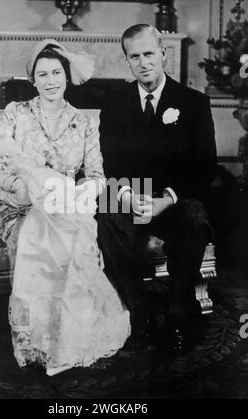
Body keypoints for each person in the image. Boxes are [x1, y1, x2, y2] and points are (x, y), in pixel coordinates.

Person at [0, 39, 130, 376]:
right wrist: (14, 185)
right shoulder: (16, 112)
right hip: (17, 207)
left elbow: (96, 175)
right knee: (36, 240)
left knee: (75, 240)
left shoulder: (85, 122)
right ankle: (36, 341)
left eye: (56, 73)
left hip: (64, 205)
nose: (50, 81)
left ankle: (68, 336)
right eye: (42, 74)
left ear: (66, 76)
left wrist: (76, 195)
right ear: (33, 79)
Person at [97, 24, 217, 350]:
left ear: (163, 53)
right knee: (106, 215)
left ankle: (179, 310)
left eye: (149, 53)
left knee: (195, 215)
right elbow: (107, 163)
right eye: (134, 56)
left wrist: (167, 198)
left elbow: (205, 166)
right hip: (131, 196)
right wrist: (125, 195)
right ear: (127, 61)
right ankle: (141, 312)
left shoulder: (193, 103)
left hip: (174, 201)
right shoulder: (115, 103)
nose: (143, 62)